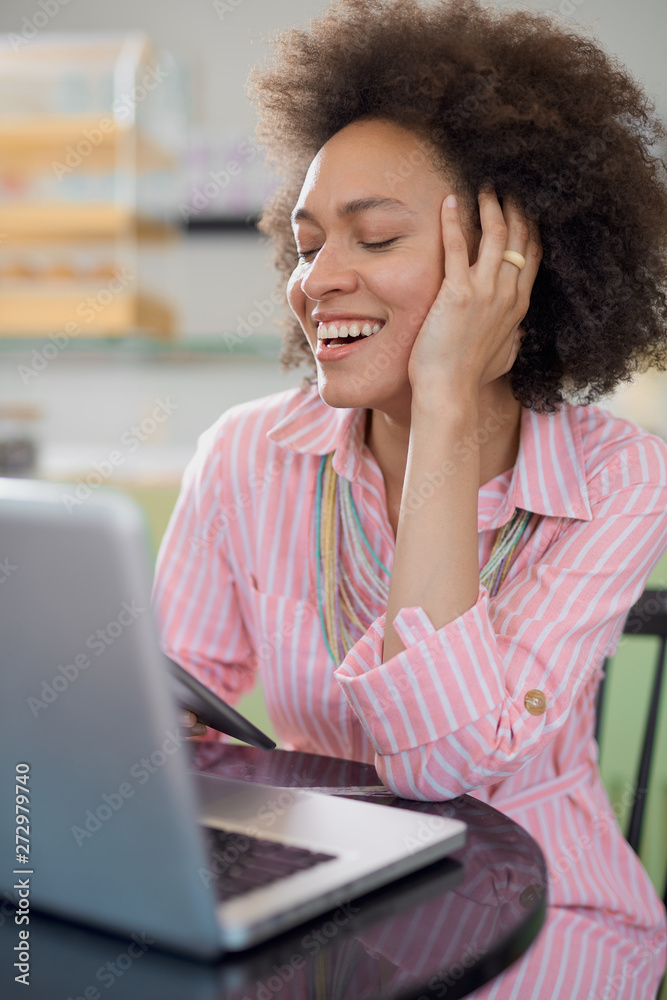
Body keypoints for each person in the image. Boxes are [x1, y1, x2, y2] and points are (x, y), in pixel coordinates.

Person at [152, 0, 667, 995]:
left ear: (508, 268)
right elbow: (176, 705)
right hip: (320, 885)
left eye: (373, 237)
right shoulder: (246, 454)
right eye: (306, 245)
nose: (315, 281)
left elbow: (445, 765)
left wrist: (444, 399)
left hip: (546, 904)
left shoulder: (621, 479)